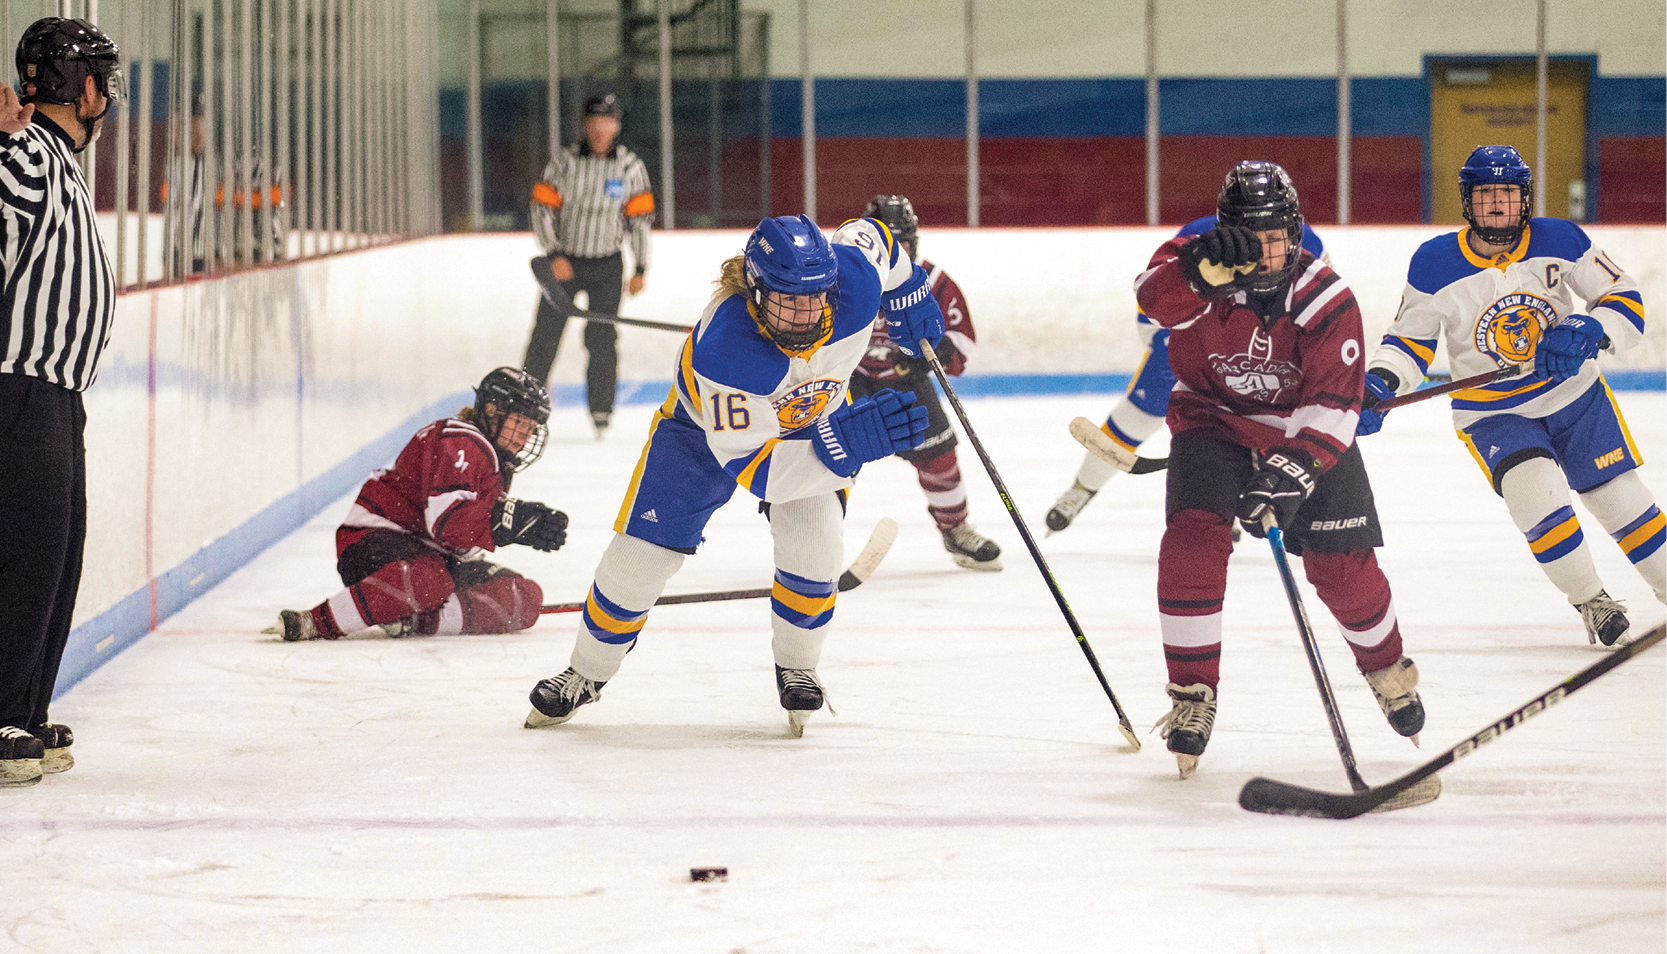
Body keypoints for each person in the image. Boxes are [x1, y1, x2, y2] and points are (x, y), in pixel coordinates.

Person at [524, 213, 944, 736]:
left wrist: (908, 290)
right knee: (637, 562)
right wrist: (847, 446)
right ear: (755, 290)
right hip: (700, 435)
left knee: (814, 549)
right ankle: (585, 673)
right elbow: (761, 472)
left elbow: (874, 234)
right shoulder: (728, 351)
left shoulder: (853, 281)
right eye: (789, 300)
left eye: (813, 297)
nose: (804, 314)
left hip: (810, 420)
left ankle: (798, 665)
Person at [1136, 161, 1425, 779]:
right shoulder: (1197, 260)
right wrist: (1198, 276)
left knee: (1342, 569)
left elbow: (1332, 405)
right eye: (1254, 239)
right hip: (1212, 419)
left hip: (1301, 433)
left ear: (1296, 232)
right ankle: (1192, 696)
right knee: (1191, 539)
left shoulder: (1326, 296)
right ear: (1228, 232)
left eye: (1279, 237)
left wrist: (1292, 471)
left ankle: (1387, 668)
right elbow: (1152, 301)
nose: (1269, 253)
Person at [1357, 145, 1660, 647]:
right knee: (1535, 495)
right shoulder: (1434, 263)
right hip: (1493, 411)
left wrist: (1588, 326)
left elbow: (1624, 298)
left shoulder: (1561, 238)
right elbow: (1409, 342)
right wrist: (1380, 383)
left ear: (1524, 198)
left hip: (1574, 395)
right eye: (1485, 194)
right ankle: (1592, 600)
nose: (1497, 204)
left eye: (1507, 192)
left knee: (1620, 501)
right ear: (1467, 201)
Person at [0, 17, 122, 787]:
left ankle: (26, 707)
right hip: (18, 390)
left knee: (55, 558)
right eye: (102, 78)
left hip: (57, 394)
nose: (108, 93)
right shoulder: (26, 157)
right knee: (23, 557)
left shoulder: (58, 159)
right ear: (79, 84)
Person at [1046, 217, 1326, 534]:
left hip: (1264, 345)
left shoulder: (1305, 237)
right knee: (1140, 414)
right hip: (1194, 335)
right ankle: (1082, 490)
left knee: (1261, 421)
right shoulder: (1202, 229)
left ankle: (1224, 495)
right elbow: (1156, 293)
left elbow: (1321, 300)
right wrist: (1165, 339)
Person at [273, 368, 567, 641]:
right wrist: (505, 522)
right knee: (432, 580)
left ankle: (414, 621)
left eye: (531, 428)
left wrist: (513, 524)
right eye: (519, 423)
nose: (525, 436)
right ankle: (315, 621)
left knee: (524, 597)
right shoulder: (462, 440)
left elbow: (464, 548)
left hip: (428, 556)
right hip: (372, 543)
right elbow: (446, 525)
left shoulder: (493, 460)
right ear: (492, 411)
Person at [847, 194, 1001, 571]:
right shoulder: (843, 279)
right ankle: (814, 542)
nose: (896, 252)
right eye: (887, 243)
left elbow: (962, 344)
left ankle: (956, 530)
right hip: (847, 383)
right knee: (827, 459)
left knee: (940, 456)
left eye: (902, 243)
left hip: (904, 386)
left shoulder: (931, 281)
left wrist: (927, 356)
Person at [522, 93, 655, 438]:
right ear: (585, 125)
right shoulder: (564, 163)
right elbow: (541, 209)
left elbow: (640, 221)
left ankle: (601, 410)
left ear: (616, 126)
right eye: (594, 122)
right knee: (545, 335)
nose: (599, 129)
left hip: (607, 267)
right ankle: (523, 407)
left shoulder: (630, 168)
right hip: (565, 263)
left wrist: (641, 268)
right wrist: (554, 254)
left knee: (602, 338)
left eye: (606, 122)